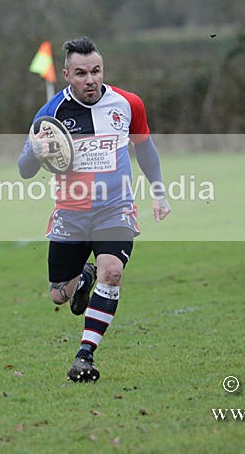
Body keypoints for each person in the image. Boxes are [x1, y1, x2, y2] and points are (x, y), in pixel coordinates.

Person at [18, 36, 171, 381]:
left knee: (112, 273)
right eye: (82, 73)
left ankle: (84, 356)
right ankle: (82, 277)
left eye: (97, 71)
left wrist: (158, 192)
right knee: (60, 294)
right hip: (70, 213)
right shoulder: (50, 114)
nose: (91, 79)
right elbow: (24, 169)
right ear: (67, 75)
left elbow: (145, 148)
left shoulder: (127, 104)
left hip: (114, 208)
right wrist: (34, 151)